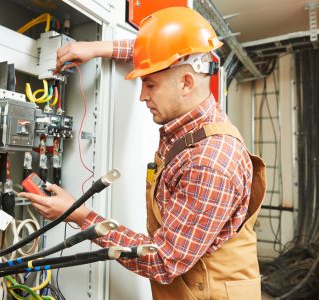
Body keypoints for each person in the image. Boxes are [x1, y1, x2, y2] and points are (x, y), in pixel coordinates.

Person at [19, 7, 266, 300]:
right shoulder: (193, 117)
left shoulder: (209, 161)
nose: (143, 95)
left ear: (186, 82)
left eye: (150, 84)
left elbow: (163, 260)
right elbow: (157, 56)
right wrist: (97, 47)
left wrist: (81, 216)